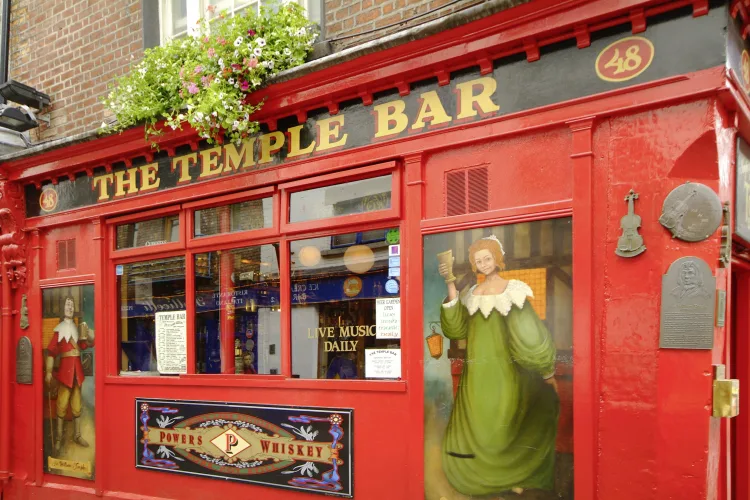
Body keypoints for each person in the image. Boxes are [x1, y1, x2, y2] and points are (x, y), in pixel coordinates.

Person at [438, 235, 558, 496]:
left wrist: (545, 368)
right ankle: (488, 480)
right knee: (481, 425)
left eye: (487, 258)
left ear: (497, 259)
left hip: (506, 372)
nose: (483, 263)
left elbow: (529, 335)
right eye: (478, 260)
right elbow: (456, 329)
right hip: (477, 374)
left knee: (502, 424)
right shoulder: (471, 294)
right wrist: (451, 285)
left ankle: (512, 478)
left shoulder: (512, 290)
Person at [45, 295, 94, 453]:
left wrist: (90, 336)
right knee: (61, 405)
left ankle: (77, 435)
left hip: (77, 373)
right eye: (67, 304)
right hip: (65, 374)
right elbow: (51, 352)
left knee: (76, 405)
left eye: (72, 305)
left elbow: (84, 345)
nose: (70, 307)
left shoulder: (77, 327)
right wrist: (48, 371)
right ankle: (59, 437)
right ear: (63, 308)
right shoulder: (58, 330)